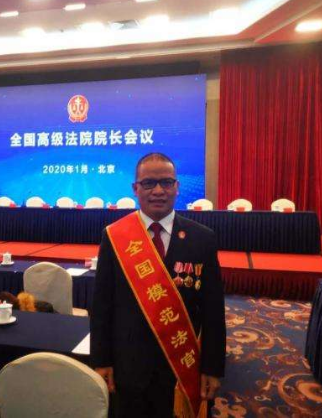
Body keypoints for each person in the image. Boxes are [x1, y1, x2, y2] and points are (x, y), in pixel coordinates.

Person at [91, 153, 226, 418]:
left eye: (166, 182)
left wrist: (212, 367)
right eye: (148, 183)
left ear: (177, 187)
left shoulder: (202, 239)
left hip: (182, 364)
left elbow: (213, 311)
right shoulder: (114, 236)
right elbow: (102, 305)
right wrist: (101, 360)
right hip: (128, 364)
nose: (158, 191)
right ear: (135, 188)